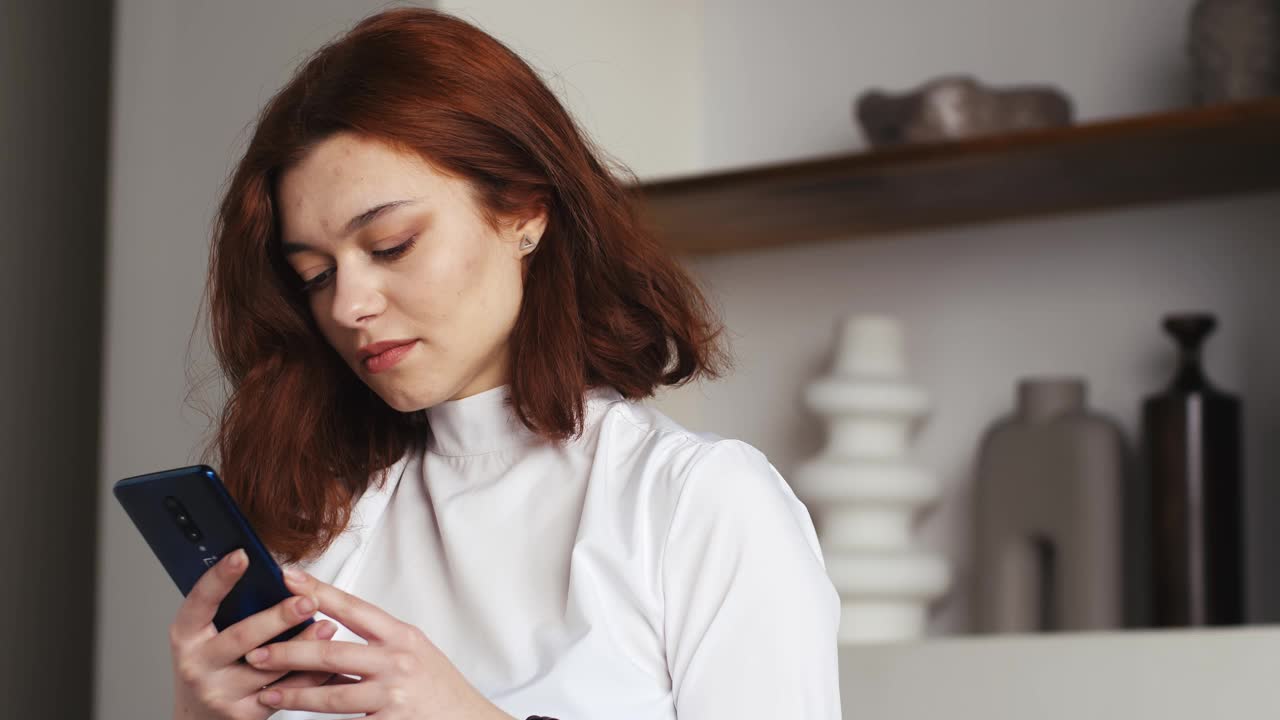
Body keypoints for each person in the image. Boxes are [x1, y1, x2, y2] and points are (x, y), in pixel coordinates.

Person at [170, 7, 841, 720]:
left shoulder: (697, 506)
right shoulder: (322, 533)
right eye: (315, 276)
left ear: (524, 211)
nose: (348, 305)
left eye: (391, 244)